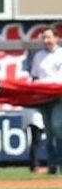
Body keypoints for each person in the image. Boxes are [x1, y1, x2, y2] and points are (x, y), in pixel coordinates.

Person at [30, 26, 62, 174]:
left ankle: (60, 162)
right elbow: (35, 76)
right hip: (44, 97)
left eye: (49, 37)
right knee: (48, 132)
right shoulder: (38, 56)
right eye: (44, 37)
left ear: (56, 38)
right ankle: (52, 165)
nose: (46, 40)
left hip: (59, 96)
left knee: (57, 127)